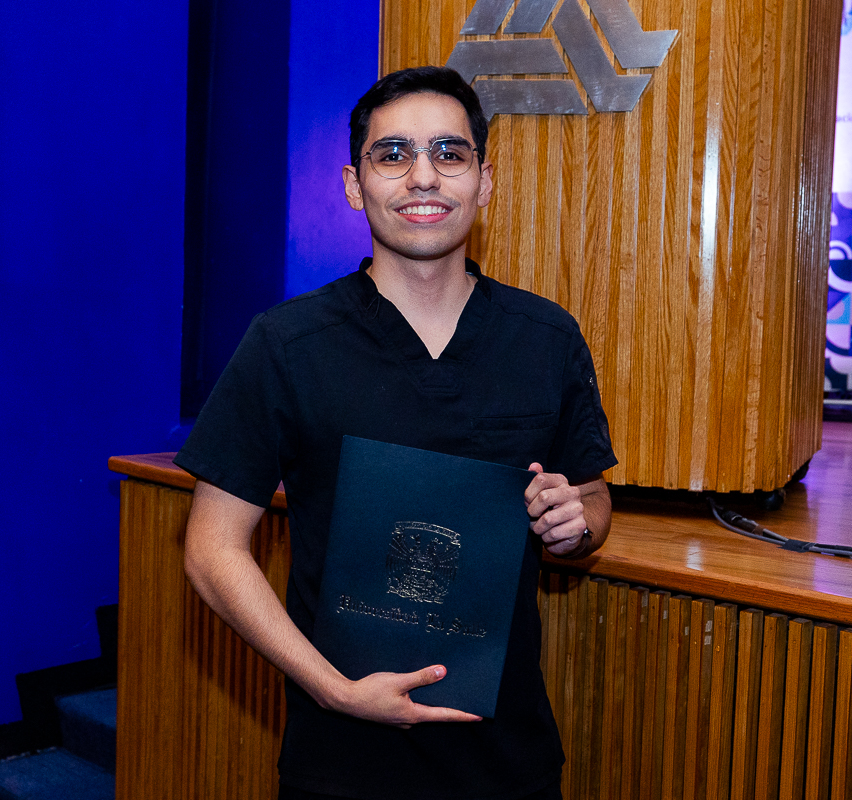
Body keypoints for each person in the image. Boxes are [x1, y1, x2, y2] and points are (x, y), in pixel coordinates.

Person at [175, 66, 617, 800]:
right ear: (355, 185)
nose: (424, 177)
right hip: (341, 762)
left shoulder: (546, 338)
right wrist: (331, 688)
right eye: (393, 154)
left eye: (450, 153)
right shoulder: (288, 344)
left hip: (507, 760)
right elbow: (211, 549)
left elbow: (594, 501)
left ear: (484, 180)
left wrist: (577, 523)